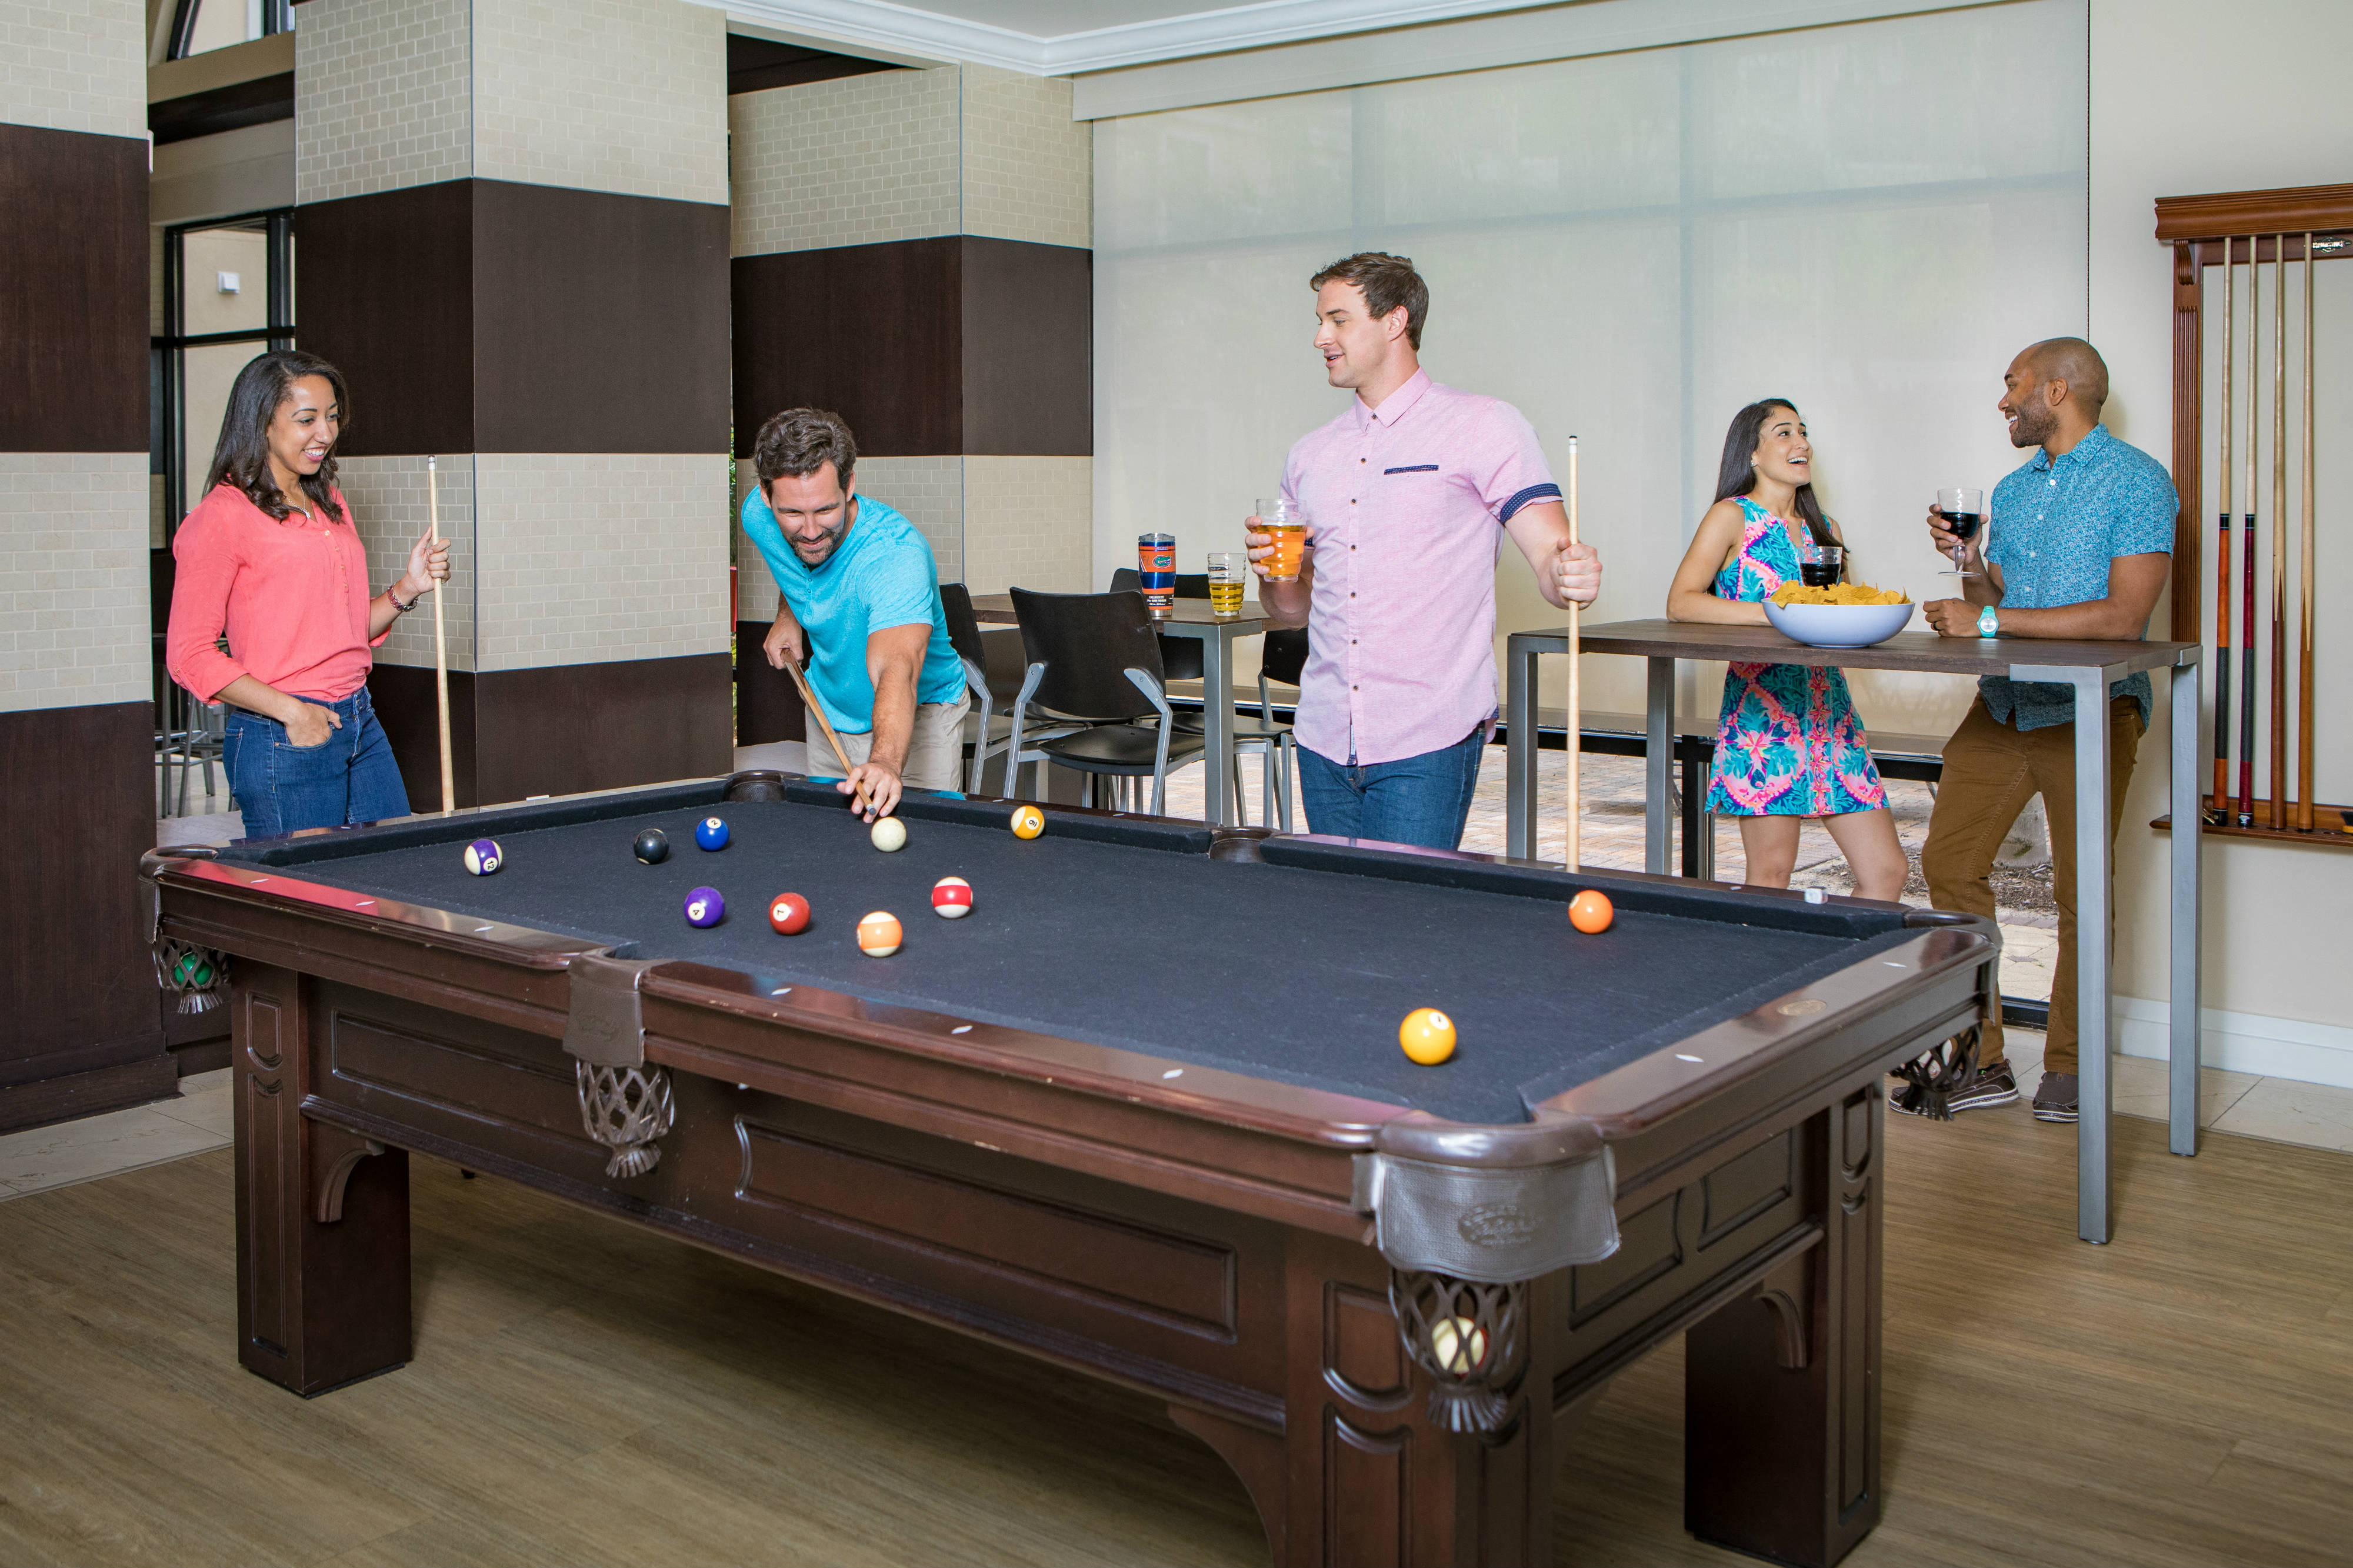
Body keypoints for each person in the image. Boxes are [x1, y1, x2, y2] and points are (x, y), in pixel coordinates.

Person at [1244, 252, 1602, 851]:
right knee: (1338, 924)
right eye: (1319, 320)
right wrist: (1274, 574)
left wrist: (1568, 573)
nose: (1319, 337)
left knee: (1406, 929)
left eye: (1338, 320)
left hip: (1427, 735)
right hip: (1323, 734)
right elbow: (1291, 610)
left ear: (1394, 322)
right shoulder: (1309, 455)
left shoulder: (1485, 425)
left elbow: (1549, 556)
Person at [1913, 337, 2175, 1123]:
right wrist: (1968, 561)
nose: (2004, 400)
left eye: (2013, 384)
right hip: (2004, 705)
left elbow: (2125, 618)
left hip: (2093, 709)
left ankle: (2070, 1064)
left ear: (2058, 389)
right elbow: (1998, 592)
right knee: (1949, 862)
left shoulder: (2139, 482)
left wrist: (1986, 617)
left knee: (2081, 889)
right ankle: (1980, 1058)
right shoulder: (2013, 489)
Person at [165, 350, 450, 838]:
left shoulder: (328, 501)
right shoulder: (221, 517)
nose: (326, 433)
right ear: (263, 424)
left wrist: (409, 587)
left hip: (360, 719)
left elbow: (341, 630)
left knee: (399, 879)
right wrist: (293, 713)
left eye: (333, 417)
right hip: (284, 734)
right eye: (307, 420)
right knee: (309, 903)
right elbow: (188, 655)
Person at [1667, 400, 1909, 901]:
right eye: (1784, 433)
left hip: (1831, 713)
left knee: (1887, 874)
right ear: (1751, 454)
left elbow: (1845, 612)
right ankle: (1769, 981)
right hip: (1763, 718)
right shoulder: (1731, 516)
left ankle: (1842, 982)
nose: (1801, 442)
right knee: (1772, 878)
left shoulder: (1827, 531)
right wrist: (1780, 611)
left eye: (1803, 431)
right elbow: (1682, 602)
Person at [742, 408, 969, 821]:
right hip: (829, 709)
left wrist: (883, 762)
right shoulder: (758, 517)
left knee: (920, 851)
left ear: (849, 485)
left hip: (917, 718)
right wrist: (789, 613)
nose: (810, 530)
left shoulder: (895, 556)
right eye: (792, 514)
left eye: (825, 511)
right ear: (765, 494)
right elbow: (791, 560)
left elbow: (896, 668)